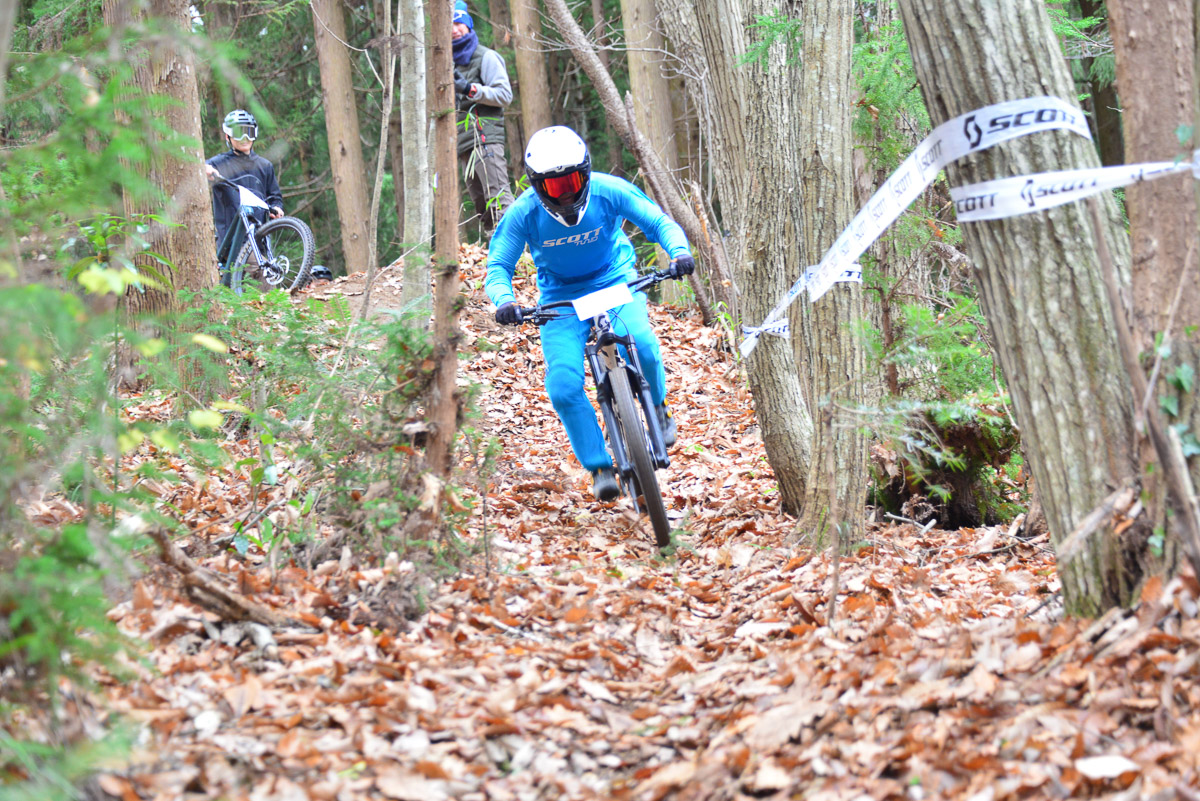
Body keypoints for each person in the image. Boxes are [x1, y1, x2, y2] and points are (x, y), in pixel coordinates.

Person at [485, 126, 696, 501]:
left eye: (572, 181)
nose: (566, 193)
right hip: (560, 300)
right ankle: (599, 465)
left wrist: (678, 251)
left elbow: (658, 222)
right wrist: (504, 301)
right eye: (554, 187)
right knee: (564, 385)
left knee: (643, 345)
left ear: (586, 172)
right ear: (537, 186)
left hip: (615, 281)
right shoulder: (524, 214)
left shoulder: (608, 190)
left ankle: (659, 409)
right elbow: (499, 264)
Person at [452, 7, 516, 236]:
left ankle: (518, 259)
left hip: (486, 138)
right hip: (464, 145)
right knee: (482, 207)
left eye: (458, 23)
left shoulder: (486, 57)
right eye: (449, 25)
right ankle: (497, 258)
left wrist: (471, 89)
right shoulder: (446, 64)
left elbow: (504, 95)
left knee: (499, 198)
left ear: (468, 25)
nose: (454, 30)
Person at [204, 109, 283, 283]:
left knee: (266, 275)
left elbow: (274, 197)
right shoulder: (218, 163)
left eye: (248, 132)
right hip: (231, 238)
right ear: (228, 137)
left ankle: (267, 309)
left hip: (260, 237)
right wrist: (207, 169)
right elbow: (201, 167)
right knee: (262, 272)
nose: (244, 139)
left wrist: (277, 208)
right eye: (238, 134)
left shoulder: (265, 166)